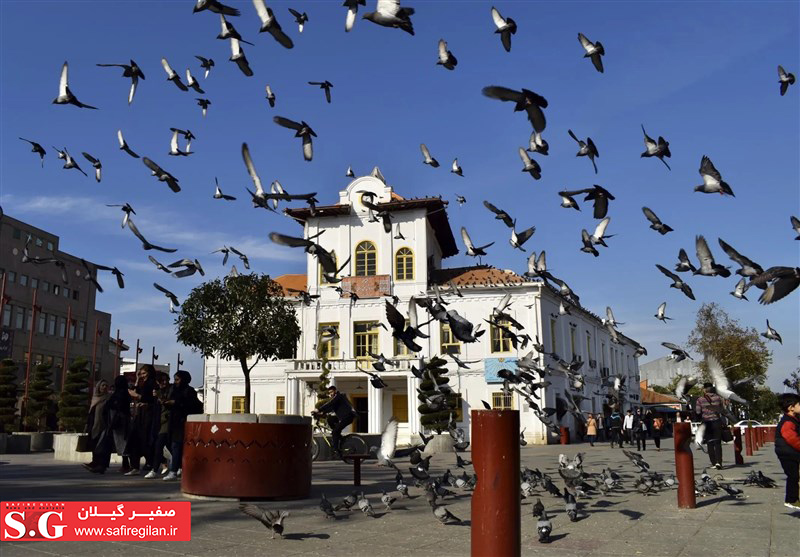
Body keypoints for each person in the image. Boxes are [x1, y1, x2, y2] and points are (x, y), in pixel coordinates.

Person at [163, 370, 201, 481]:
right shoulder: (174, 390)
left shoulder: (189, 391)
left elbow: (192, 406)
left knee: (177, 446)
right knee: (172, 445)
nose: (176, 382)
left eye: (177, 380)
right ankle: (179, 467)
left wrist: (177, 403)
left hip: (183, 422)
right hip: (174, 421)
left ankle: (173, 471)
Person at [89, 376, 131, 474]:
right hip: (115, 423)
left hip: (117, 423)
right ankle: (103, 465)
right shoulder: (122, 394)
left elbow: (115, 406)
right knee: (111, 445)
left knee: (116, 445)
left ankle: (105, 466)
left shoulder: (120, 394)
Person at [124, 365, 157, 476]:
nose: (142, 375)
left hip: (147, 416)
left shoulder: (153, 383)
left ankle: (153, 463)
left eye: (144, 373)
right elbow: (137, 391)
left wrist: (138, 396)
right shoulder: (144, 383)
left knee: (145, 440)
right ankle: (135, 466)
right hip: (141, 414)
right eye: (141, 373)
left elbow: (150, 399)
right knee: (134, 440)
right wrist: (137, 379)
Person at [312, 385, 357, 458]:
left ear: (335, 391)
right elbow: (330, 408)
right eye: (330, 393)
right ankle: (339, 438)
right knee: (330, 419)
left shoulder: (339, 396)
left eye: (332, 392)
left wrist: (319, 409)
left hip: (348, 417)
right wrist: (322, 413)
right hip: (343, 417)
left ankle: (336, 451)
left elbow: (330, 403)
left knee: (335, 432)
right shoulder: (336, 399)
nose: (331, 394)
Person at [774, 393, 800, 510]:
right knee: (793, 476)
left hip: (790, 452)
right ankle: (791, 499)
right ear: (791, 408)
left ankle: (793, 499)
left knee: (794, 476)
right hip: (787, 453)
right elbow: (792, 438)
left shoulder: (793, 419)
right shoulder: (788, 422)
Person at [145, 372, 172, 479]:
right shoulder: (157, 392)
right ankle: (179, 466)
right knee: (170, 446)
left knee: (159, 445)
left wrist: (160, 397)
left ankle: (154, 469)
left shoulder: (170, 391)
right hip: (158, 422)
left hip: (167, 422)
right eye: (162, 381)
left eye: (166, 380)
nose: (164, 382)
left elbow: (167, 403)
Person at [695, 382, 725, 469]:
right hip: (716, 421)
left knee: (710, 443)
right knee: (718, 443)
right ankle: (719, 462)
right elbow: (721, 409)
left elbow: (698, 412)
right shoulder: (718, 398)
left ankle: (713, 462)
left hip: (707, 423)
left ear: (704, 389)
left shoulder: (700, 399)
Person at [82, 380, 110, 471]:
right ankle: (95, 462)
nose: (104, 387)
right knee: (94, 445)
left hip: (103, 425)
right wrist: (87, 424)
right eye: (102, 385)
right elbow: (91, 412)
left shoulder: (108, 398)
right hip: (93, 425)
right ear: (98, 387)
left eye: (106, 385)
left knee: (101, 446)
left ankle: (101, 465)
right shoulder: (95, 398)